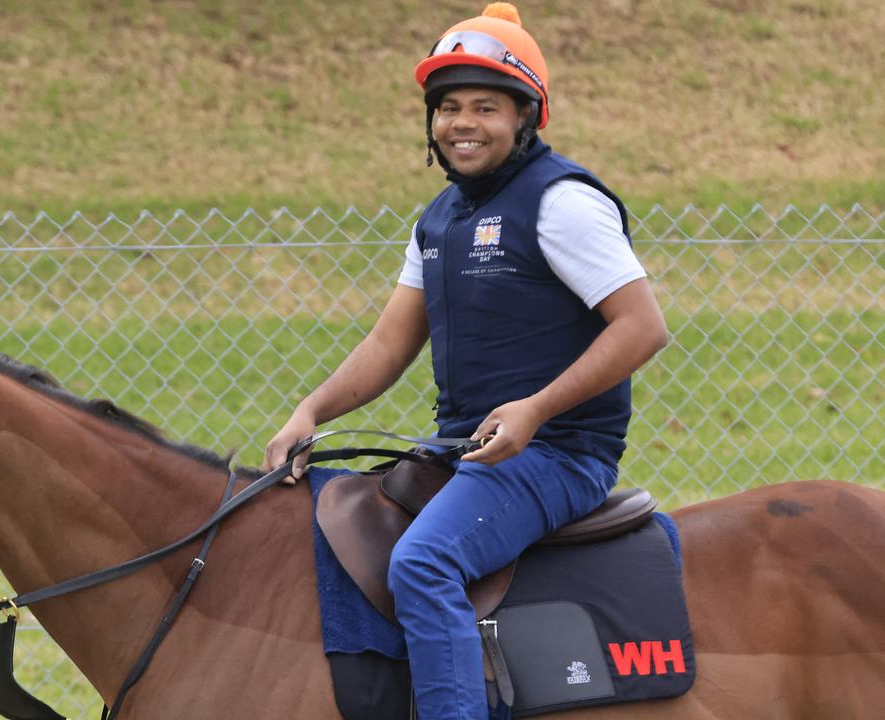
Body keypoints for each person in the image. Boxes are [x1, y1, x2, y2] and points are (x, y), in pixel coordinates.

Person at [262, 3, 670, 718]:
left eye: (486, 106)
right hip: (465, 448)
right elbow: (390, 343)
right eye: (447, 106)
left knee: (423, 565)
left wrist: (536, 410)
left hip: (558, 453)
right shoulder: (438, 219)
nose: (462, 122)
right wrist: (311, 412)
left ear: (526, 117)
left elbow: (643, 328)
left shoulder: (563, 202)